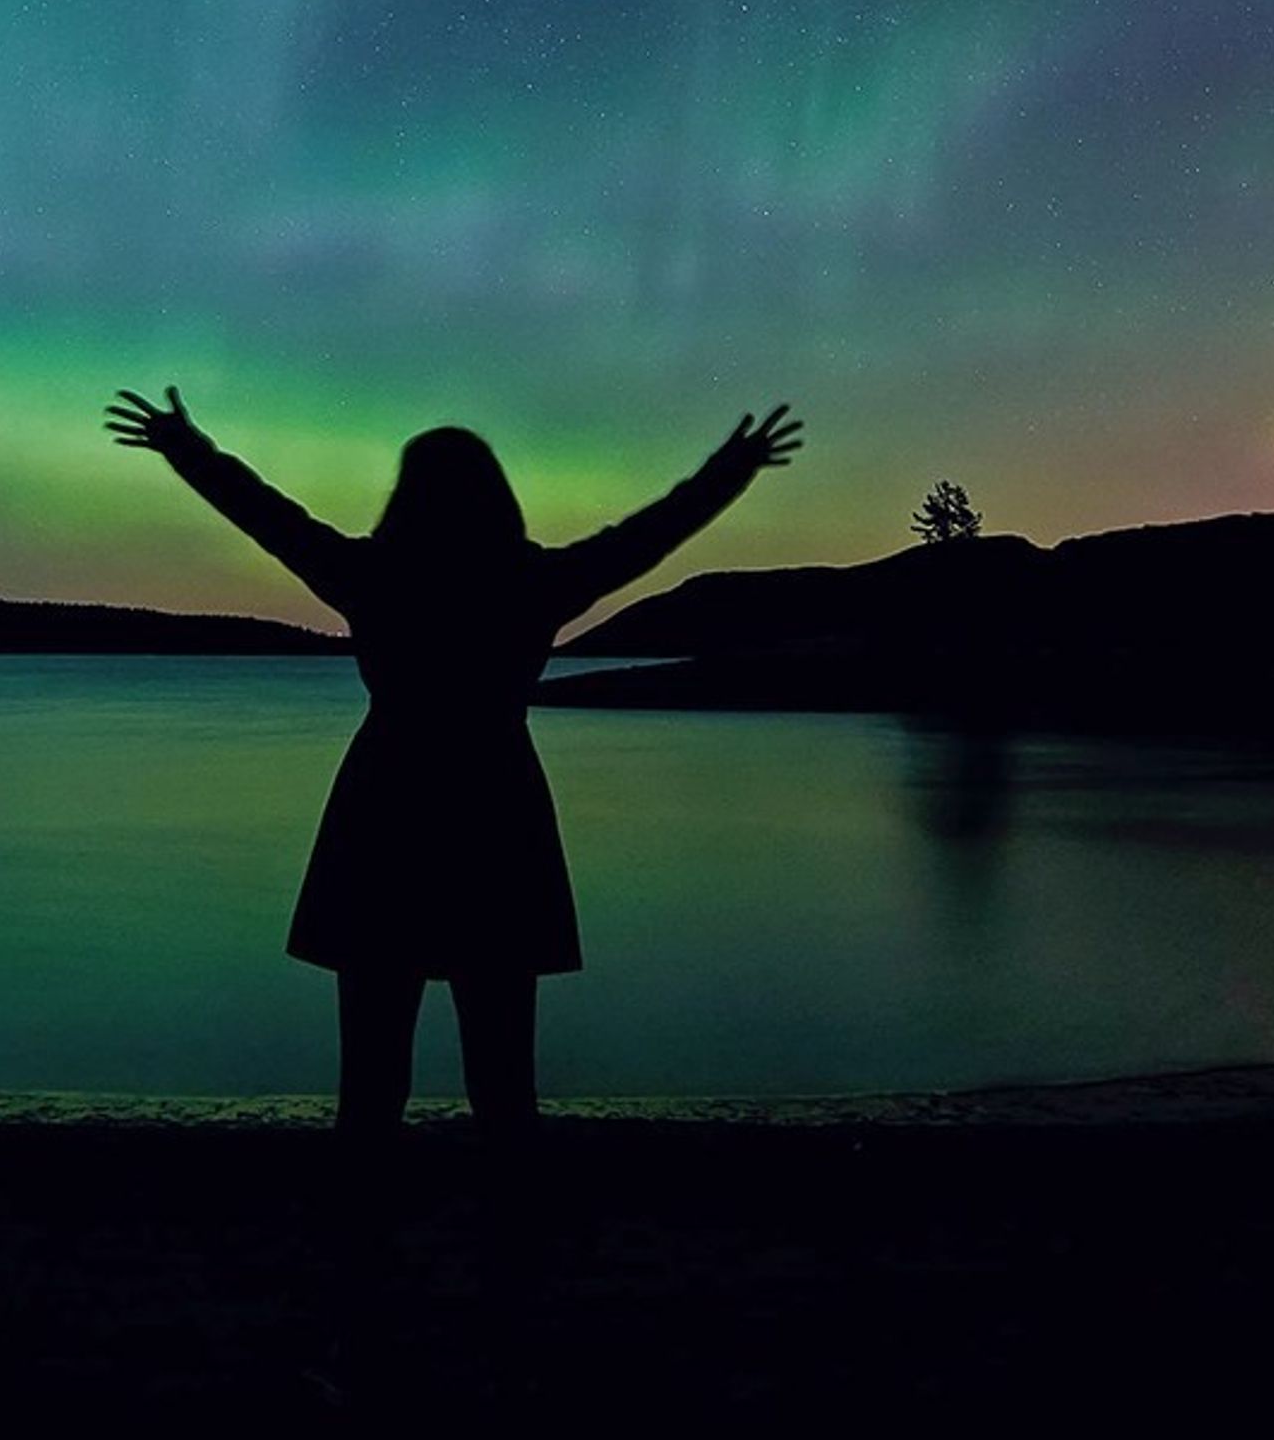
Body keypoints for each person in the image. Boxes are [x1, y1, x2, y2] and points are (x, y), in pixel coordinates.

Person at [101, 386, 802, 1138]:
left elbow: (269, 517)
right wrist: (732, 469)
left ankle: (365, 1204)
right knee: (503, 1073)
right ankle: (505, 1204)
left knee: (371, 1073)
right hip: (496, 808)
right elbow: (646, 536)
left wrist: (187, 448)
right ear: (496, 497)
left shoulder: (372, 575)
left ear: (405, 497)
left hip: (385, 809)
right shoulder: (533, 582)